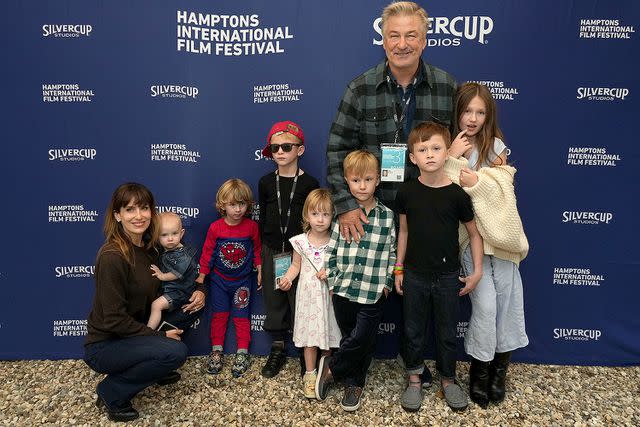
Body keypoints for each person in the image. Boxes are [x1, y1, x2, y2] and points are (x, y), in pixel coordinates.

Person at [326, 1, 456, 243]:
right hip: (371, 220)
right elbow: (337, 150)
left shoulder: (446, 87)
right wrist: (346, 205)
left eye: (411, 36)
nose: (402, 44)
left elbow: (462, 149)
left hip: (431, 217)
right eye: (394, 36)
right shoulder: (360, 89)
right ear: (384, 41)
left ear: (424, 41)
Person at [84, 183, 206, 422]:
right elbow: (114, 320)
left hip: (136, 330)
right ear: (117, 215)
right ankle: (111, 392)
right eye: (130, 209)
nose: (138, 216)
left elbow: (183, 274)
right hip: (107, 344)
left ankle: (154, 365)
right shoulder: (112, 257)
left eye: (144, 208)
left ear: (152, 211)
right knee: (175, 352)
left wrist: (200, 289)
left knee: (187, 309)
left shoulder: (152, 248)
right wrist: (159, 338)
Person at [445, 82, 529, 408]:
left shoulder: (496, 146)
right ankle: (478, 373)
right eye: (468, 111)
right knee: (486, 305)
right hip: (472, 240)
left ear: (488, 115)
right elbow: (446, 191)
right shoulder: (452, 144)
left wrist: (478, 180)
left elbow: (504, 189)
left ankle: (499, 372)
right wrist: (453, 159)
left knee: (508, 302)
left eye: (480, 112)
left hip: (502, 241)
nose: (473, 118)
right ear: (458, 111)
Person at [394, 122, 483, 412]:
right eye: (422, 149)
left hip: (448, 276)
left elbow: (473, 233)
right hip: (415, 274)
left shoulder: (458, 194)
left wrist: (477, 270)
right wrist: (399, 268)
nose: (429, 154)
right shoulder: (406, 193)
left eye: (436, 148)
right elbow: (404, 232)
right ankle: (415, 378)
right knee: (413, 329)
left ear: (447, 153)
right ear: (412, 157)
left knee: (446, 331)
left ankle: (448, 378)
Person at [315, 150, 396, 412]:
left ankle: (333, 369)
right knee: (353, 336)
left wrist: (386, 282)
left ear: (378, 181)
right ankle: (354, 380)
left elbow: (392, 251)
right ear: (347, 182)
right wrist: (334, 278)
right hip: (344, 288)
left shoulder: (386, 216)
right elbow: (334, 248)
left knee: (362, 337)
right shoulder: (343, 215)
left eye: (368, 180)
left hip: (373, 290)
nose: (362, 186)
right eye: (356, 180)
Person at [258, 121, 320, 378]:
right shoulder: (265, 182)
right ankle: (278, 347)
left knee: (301, 300)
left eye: (286, 146)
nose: (280, 152)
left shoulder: (310, 183)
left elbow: (314, 220)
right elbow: (262, 219)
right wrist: (262, 259)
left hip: (301, 252)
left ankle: (306, 351)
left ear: (300, 150)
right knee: (274, 301)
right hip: (273, 249)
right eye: (274, 148)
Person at [279, 189, 341, 399]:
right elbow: (295, 266)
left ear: (333, 215)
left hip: (328, 297)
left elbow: (341, 265)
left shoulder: (336, 240)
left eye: (325, 214)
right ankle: (309, 374)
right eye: (315, 214)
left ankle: (325, 372)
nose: (320, 219)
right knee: (310, 339)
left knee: (327, 336)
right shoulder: (300, 241)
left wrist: (330, 272)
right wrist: (287, 278)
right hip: (307, 298)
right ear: (307, 216)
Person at [196, 179, 262, 377]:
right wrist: (201, 279)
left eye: (242, 204)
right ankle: (216, 350)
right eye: (233, 204)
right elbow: (207, 253)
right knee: (219, 316)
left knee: (242, 317)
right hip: (219, 281)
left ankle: (243, 352)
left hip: (243, 281)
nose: (238, 209)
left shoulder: (251, 227)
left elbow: (258, 250)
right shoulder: (216, 228)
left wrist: (260, 268)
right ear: (222, 205)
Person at [147, 212, 199, 330]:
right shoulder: (165, 249)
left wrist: (161, 275)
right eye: (164, 235)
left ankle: (148, 333)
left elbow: (176, 274)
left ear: (181, 234)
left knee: (156, 305)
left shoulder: (183, 255)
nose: (170, 238)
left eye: (174, 234)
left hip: (180, 293)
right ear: (157, 236)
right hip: (170, 291)